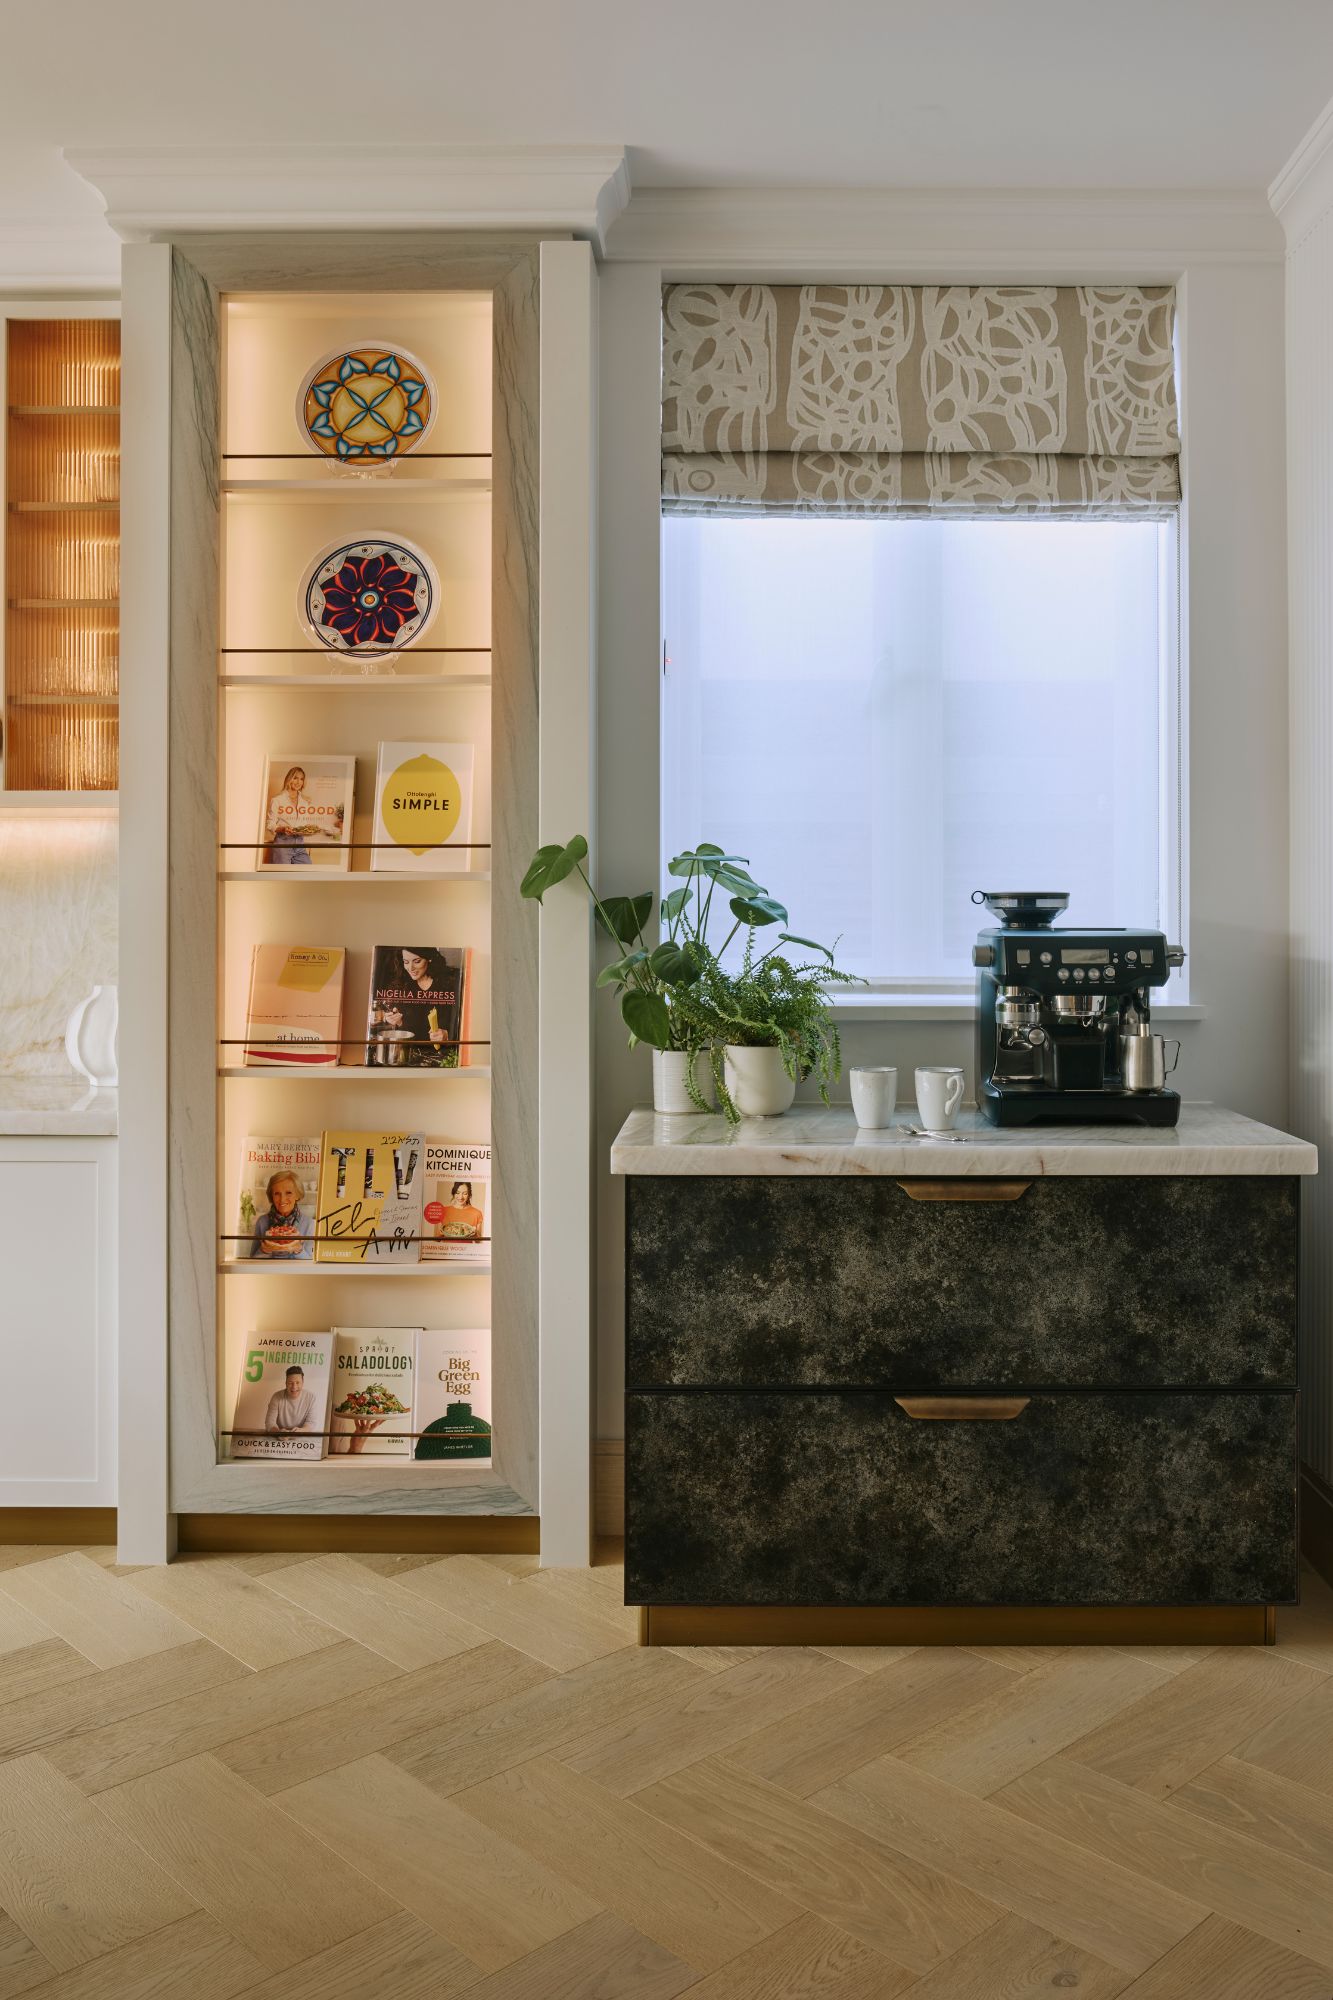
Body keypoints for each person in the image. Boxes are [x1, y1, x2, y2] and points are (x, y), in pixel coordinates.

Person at [371, 947, 461, 1066]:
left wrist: (448, 1036)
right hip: (411, 1056)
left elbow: (461, 1024)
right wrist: (398, 1021)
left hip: (441, 1057)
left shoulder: (451, 983)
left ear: (429, 959)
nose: (410, 968)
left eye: (417, 961)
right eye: (406, 962)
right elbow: (410, 1030)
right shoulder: (401, 985)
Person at [249, 1168, 314, 1258]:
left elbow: (311, 1263)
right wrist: (264, 1250)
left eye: (288, 1193)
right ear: (271, 1196)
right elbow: (252, 1259)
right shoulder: (262, 1222)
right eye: (277, 1193)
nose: (282, 1199)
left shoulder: (309, 1224)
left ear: (297, 1195)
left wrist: (298, 1249)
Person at [264, 1365, 316, 1434]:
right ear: (285, 1383)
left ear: (303, 1382)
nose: (294, 1387)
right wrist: (279, 1433)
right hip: (279, 1436)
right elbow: (269, 1422)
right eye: (290, 1383)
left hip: (301, 1436)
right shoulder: (276, 1397)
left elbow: (311, 1423)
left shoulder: (311, 1398)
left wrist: (300, 1431)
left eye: (297, 1383)